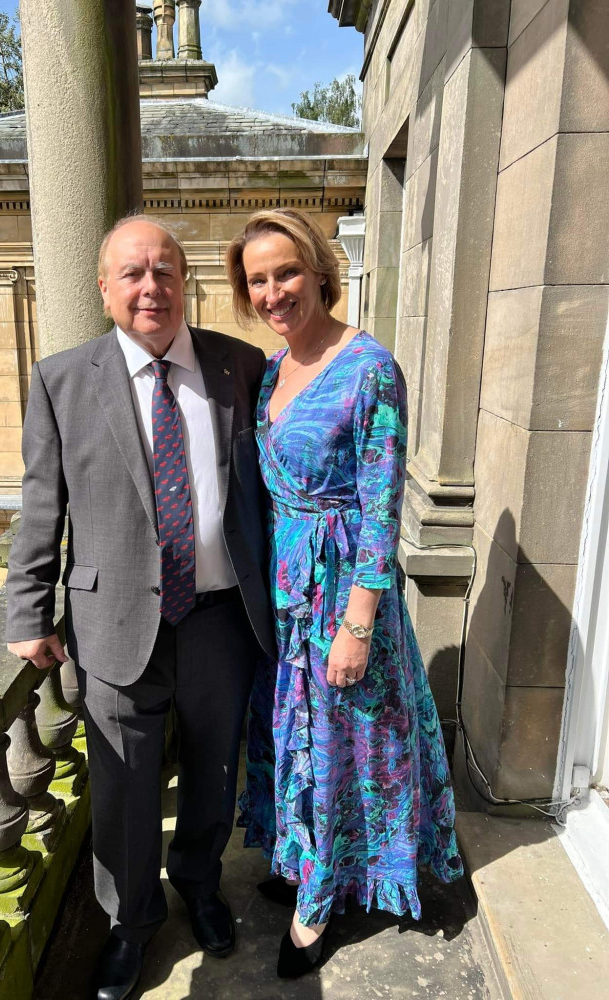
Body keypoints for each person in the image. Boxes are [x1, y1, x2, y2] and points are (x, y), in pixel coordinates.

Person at [6, 215, 276, 1000]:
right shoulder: (62, 379)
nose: (150, 286)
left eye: (164, 271)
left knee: (212, 767)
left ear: (184, 281)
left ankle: (198, 882)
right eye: (132, 273)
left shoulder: (240, 366)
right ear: (104, 288)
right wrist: (28, 612)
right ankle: (132, 920)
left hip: (223, 617)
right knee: (122, 791)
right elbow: (40, 506)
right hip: (114, 622)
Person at [225, 208, 463, 979]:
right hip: (285, 599)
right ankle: (304, 857)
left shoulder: (369, 370)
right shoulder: (271, 370)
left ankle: (319, 903)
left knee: (337, 747)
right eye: (257, 280)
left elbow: (379, 505)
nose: (273, 292)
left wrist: (359, 622)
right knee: (292, 737)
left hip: (339, 600)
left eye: (285, 273)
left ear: (321, 271)